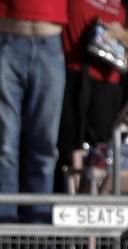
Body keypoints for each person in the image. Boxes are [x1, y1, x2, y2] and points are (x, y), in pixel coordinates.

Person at [0, 0, 67, 224]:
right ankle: (3, 228)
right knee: (4, 145)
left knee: (45, 145)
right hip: (3, 37)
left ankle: (38, 231)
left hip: (50, 40)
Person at [55, 0, 127, 194]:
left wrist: (124, 35)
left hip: (107, 82)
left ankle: (98, 204)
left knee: (102, 152)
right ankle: (62, 201)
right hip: (70, 73)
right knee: (67, 147)